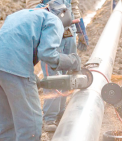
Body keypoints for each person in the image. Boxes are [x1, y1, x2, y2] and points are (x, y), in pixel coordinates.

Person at [0, 0, 82, 140]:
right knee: (30, 123)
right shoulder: (54, 20)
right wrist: (73, 61)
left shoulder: (23, 14)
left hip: (5, 67)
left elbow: (16, 42)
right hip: (15, 67)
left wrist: (30, 75)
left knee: (7, 122)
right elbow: (47, 54)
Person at [26, 0, 89, 132]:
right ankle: (50, 117)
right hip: (50, 30)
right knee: (53, 74)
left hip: (69, 29)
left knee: (68, 73)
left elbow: (74, 4)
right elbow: (32, 9)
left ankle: (61, 111)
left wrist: (80, 28)